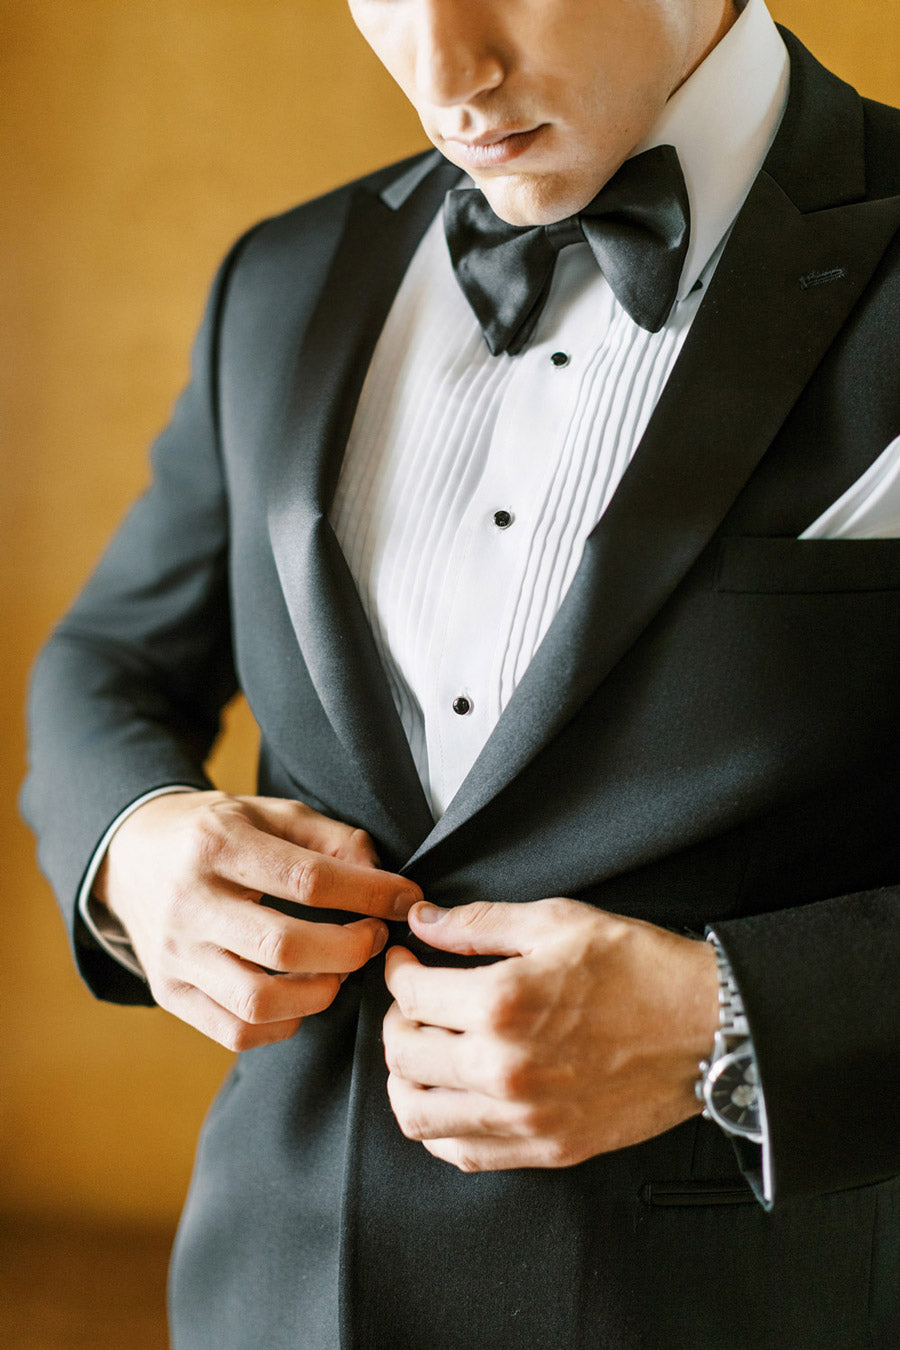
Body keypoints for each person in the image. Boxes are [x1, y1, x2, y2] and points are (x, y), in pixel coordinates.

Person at [23, 0, 899, 1345]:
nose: (447, 80)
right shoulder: (281, 275)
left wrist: (723, 1025)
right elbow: (109, 661)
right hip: (272, 1298)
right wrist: (134, 846)